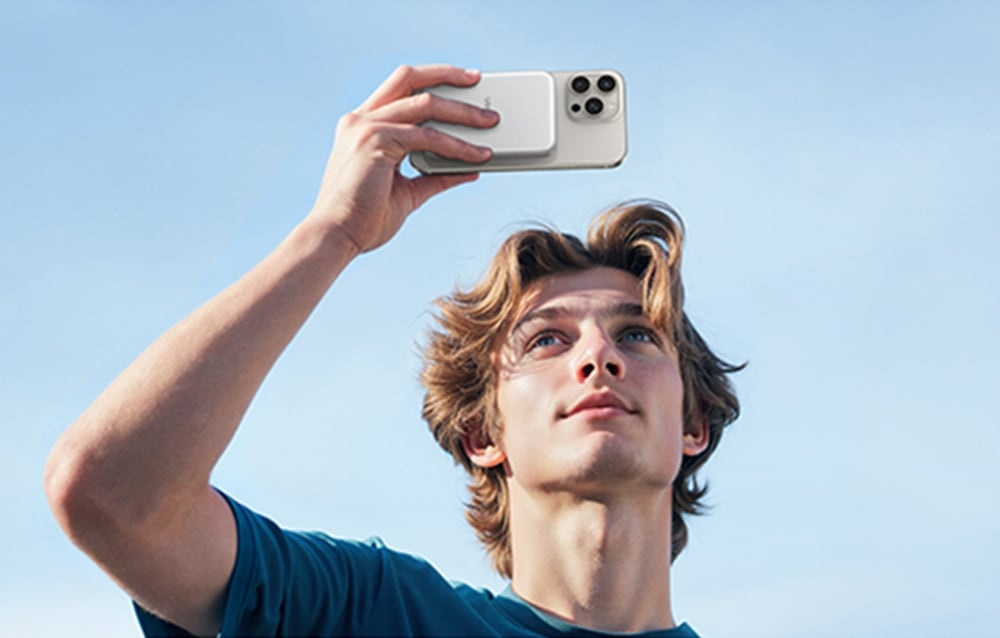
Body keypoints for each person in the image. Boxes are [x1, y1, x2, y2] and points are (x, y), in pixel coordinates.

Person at [44, 64, 741, 637]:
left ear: (693, 425)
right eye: (548, 339)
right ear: (480, 432)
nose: (599, 356)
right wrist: (332, 233)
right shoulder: (372, 613)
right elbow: (114, 496)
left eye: (636, 334)